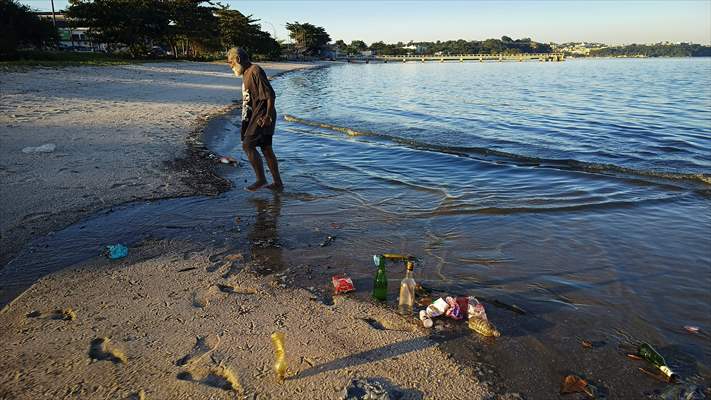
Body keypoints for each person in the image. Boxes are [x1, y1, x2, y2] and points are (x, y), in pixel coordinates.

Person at [227, 47, 283, 192]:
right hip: (254, 116)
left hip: (262, 115)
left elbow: (270, 95)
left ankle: (261, 179)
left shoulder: (255, 70)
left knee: (248, 145)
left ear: (238, 60)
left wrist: (268, 116)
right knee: (266, 148)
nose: (231, 67)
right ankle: (278, 183)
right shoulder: (246, 73)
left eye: (231, 63)